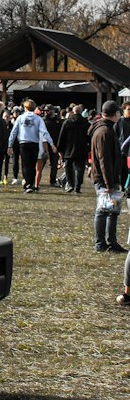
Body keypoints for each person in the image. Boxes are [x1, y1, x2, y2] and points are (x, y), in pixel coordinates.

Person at [91, 101, 127, 273]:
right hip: (105, 179)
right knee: (104, 210)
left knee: (112, 211)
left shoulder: (104, 128)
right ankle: (101, 243)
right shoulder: (104, 131)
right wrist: (108, 183)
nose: (120, 116)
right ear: (113, 114)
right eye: (119, 113)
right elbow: (104, 159)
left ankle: (110, 241)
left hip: (108, 178)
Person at [8, 99, 53, 194]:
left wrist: (10, 145)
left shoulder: (20, 118)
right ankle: (31, 183)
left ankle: (27, 183)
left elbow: (14, 132)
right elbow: (44, 132)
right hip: (34, 143)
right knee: (33, 165)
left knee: (25, 164)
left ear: (25, 107)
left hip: (23, 143)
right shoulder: (38, 119)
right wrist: (51, 143)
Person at [56, 103, 90, 194]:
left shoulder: (67, 122)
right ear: (81, 112)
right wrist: (89, 148)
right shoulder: (86, 122)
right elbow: (89, 136)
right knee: (80, 169)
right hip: (81, 149)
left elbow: (62, 136)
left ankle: (70, 184)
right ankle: (78, 186)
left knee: (68, 167)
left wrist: (60, 149)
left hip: (68, 149)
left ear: (73, 111)